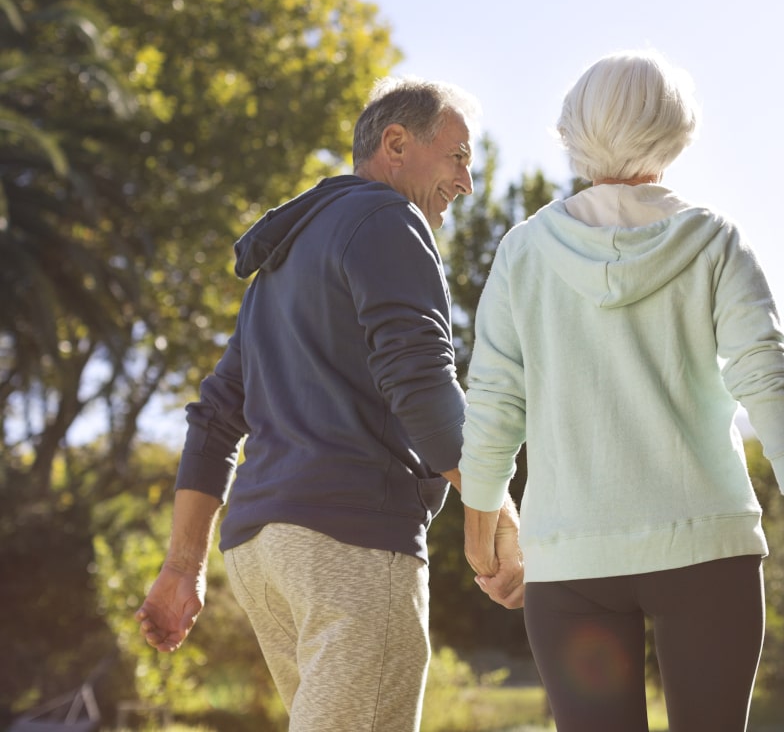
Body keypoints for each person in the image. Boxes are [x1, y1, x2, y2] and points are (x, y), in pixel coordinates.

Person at [459, 50, 784, 732]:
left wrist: (483, 540)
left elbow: (495, 407)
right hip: (708, 552)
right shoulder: (713, 242)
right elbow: (771, 390)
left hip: (571, 561)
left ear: (574, 129)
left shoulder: (524, 252)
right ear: (676, 130)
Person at [136, 76, 523, 732]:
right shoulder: (388, 220)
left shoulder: (281, 266)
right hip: (350, 542)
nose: (466, 183)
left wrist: (182, 566)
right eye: (458, 157)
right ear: (395, 143)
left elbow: (214, 416)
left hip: (263, 552)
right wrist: (500, 514)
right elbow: (422, 386)